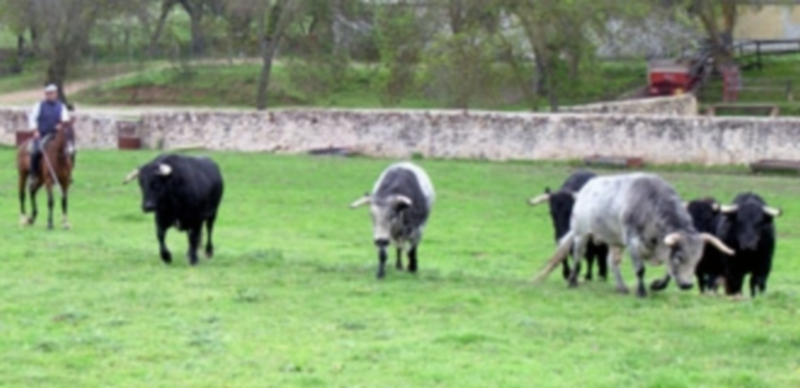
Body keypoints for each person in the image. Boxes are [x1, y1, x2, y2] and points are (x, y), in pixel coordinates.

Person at [27, 84, 69, 185]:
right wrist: (35, 130)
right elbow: (32, 118)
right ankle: (34, 175)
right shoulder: (39, 105)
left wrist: (60, 125)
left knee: (68, 151)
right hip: (42, 135)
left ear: (56, 94)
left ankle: (67, 174)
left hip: (56, 135)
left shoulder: (61, 106)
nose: (51, 95)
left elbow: (65, 119)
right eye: (49, 93)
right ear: (45, 94)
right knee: (35, 151)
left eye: (53, 93)